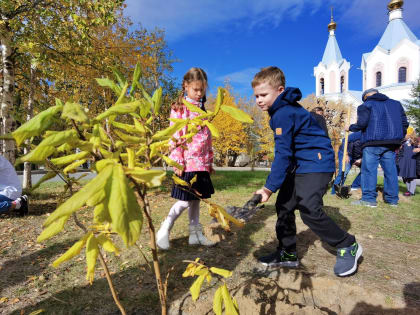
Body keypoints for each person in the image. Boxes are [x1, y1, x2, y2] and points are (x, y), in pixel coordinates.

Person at [252, 66, 362, 277]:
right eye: (256, 95)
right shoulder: (280, 111)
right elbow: (290, 151)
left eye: (263, 94)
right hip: (301, 164)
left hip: (317, 163)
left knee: (308, 208)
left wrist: (268, 187)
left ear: (280, 90)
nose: (259, 100)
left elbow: (283, 154)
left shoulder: (283, 113)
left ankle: (348, 245)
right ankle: (287, 254)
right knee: (284, 205)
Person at [156, 67, 215, 250]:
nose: (199, 94)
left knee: (196, 200)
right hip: (187, 163)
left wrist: (209, 161)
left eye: (202, 90)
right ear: (186, 86)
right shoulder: (179, 109)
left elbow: (207, 138)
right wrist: (177, 161)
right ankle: (165, 228)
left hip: (201, 163)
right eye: (195, 90)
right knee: (184, 200)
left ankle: (194, 234)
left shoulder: (203, 109)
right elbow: (175, 135)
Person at [348, 88, 409, 207]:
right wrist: (399, 138)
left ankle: (369, 199)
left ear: (366, 97)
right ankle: (392, 200)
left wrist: (350, 127)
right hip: (391, 143)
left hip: (372, 142)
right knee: (390, 171)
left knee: (369, 170)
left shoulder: (365, 105)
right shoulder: (396, 104)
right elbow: (404, 123)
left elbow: (362, 124)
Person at [398, 127, 418, 196]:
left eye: (406, 133)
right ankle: (408, 190)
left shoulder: (415, 141)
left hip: (412, 160)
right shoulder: (403, 141)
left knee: (411, 176)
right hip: (404, 160)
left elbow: (417, 148)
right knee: (405, 176)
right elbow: (400, 150)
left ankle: (411, 191)